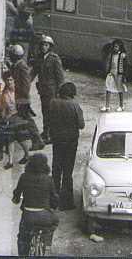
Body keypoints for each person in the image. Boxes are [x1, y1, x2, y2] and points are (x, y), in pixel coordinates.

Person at [12, 154, 59, 256]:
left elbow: (16, 196)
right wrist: (53, 206)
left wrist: (16, 199)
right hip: (44, 217)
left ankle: (23, 255)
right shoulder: (49, 179)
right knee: (55, 221)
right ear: (45, 165)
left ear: (29, 165)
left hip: (28, 216)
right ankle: (47, 243)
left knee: (22, 238)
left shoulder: (23, 177)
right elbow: (55, 198)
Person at [48, 82, 84, 210]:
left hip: (57, 139)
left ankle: (53, 200)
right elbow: (81, 124)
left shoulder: (53, 103)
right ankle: (66, 202)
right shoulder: (75, 105)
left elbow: (49, 119)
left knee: (56, 168)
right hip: (70, 142)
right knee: (67, 172)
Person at [8, 45, 45, 151]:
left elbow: (26, 84)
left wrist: (22, 99)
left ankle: (37, 141)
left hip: (22, 99)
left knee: (27, 120)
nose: (10, 56)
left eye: (11, 55)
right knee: (25, 119)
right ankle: (36, 140)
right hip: (20, 98)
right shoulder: (17, 65)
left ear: (15, 56)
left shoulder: (22, 66)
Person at [31, 36, 64, 144]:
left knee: (51, 112)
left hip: (52, 90)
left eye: (46, 45)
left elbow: (60, 77)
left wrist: (60, 91)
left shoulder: (54, 58)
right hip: (42, 90)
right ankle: (46, 132)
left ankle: (51, 134)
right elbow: (33, 72)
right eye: (43, 45)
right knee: (44, 111)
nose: (44, 47)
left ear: (50, 47)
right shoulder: (39, 58)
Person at [102, 39, 127, 112]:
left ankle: (121, 105)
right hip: (111, 73)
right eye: (114, 46)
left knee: (120, 90)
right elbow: (109, 63)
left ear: (120, 47)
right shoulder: (111, 55)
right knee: (108, 88)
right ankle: (107, 105)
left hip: (119, 74)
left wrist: (124, 76)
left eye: (116, 47)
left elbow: (125, 66)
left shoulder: (122, 55)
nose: (115, 48)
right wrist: (107, 71)